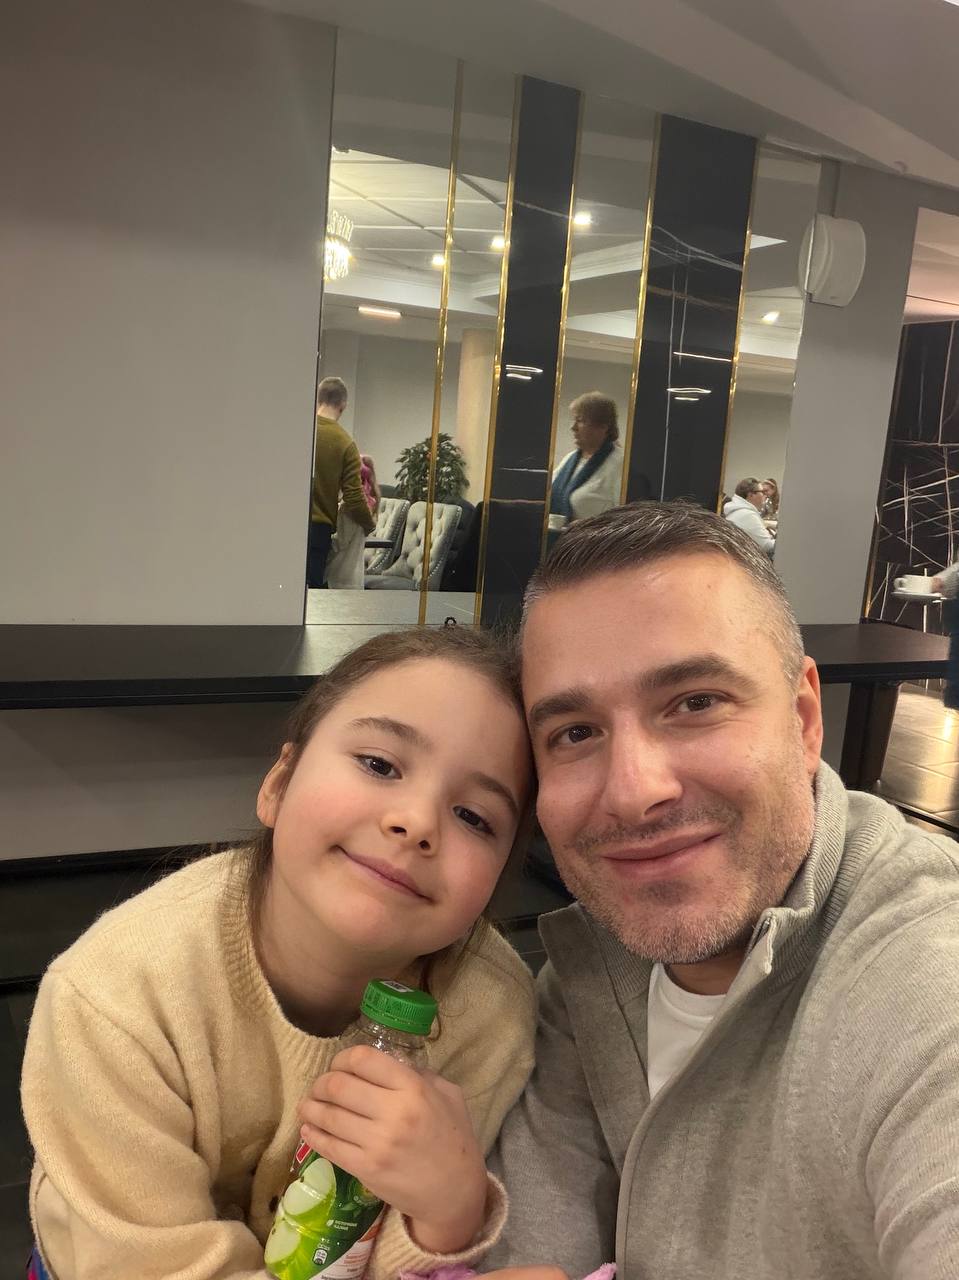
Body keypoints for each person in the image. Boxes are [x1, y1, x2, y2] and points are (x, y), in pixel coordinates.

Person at [484, 500, 959, 1279]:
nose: (633, 791)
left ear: (803, 719)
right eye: (575, 732)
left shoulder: (921, 981)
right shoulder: (585, 972)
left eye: (695, 703)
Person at [21, 627, 537, 1280]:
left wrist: (451, 1209)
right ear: (279, 783)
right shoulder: (116, 998)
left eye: (475, 817)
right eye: (379, 765)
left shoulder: (489, 1013)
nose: (416, 823)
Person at [309, 377, 375, 588]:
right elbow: (353, 497)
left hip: (288, 524)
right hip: (318, 529)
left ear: (318, 399)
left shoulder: (301, 431)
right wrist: (369, 524)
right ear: (343, 405)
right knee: (313, 597)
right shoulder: (345, 443)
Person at [549, 393, 623, 532]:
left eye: (580, 420)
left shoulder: (620, 464)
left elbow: (627, 520)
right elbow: (548, 493)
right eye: (574, 420)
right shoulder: (570, 459)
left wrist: (588, 526)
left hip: (594, 543)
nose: (573, 427)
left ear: (603, 426)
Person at [723, 476, 775, 554]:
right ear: (751, 495)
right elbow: (767, 546)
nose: (766, 495)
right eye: (763, 492)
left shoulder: (740, 511)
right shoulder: (747, 515)